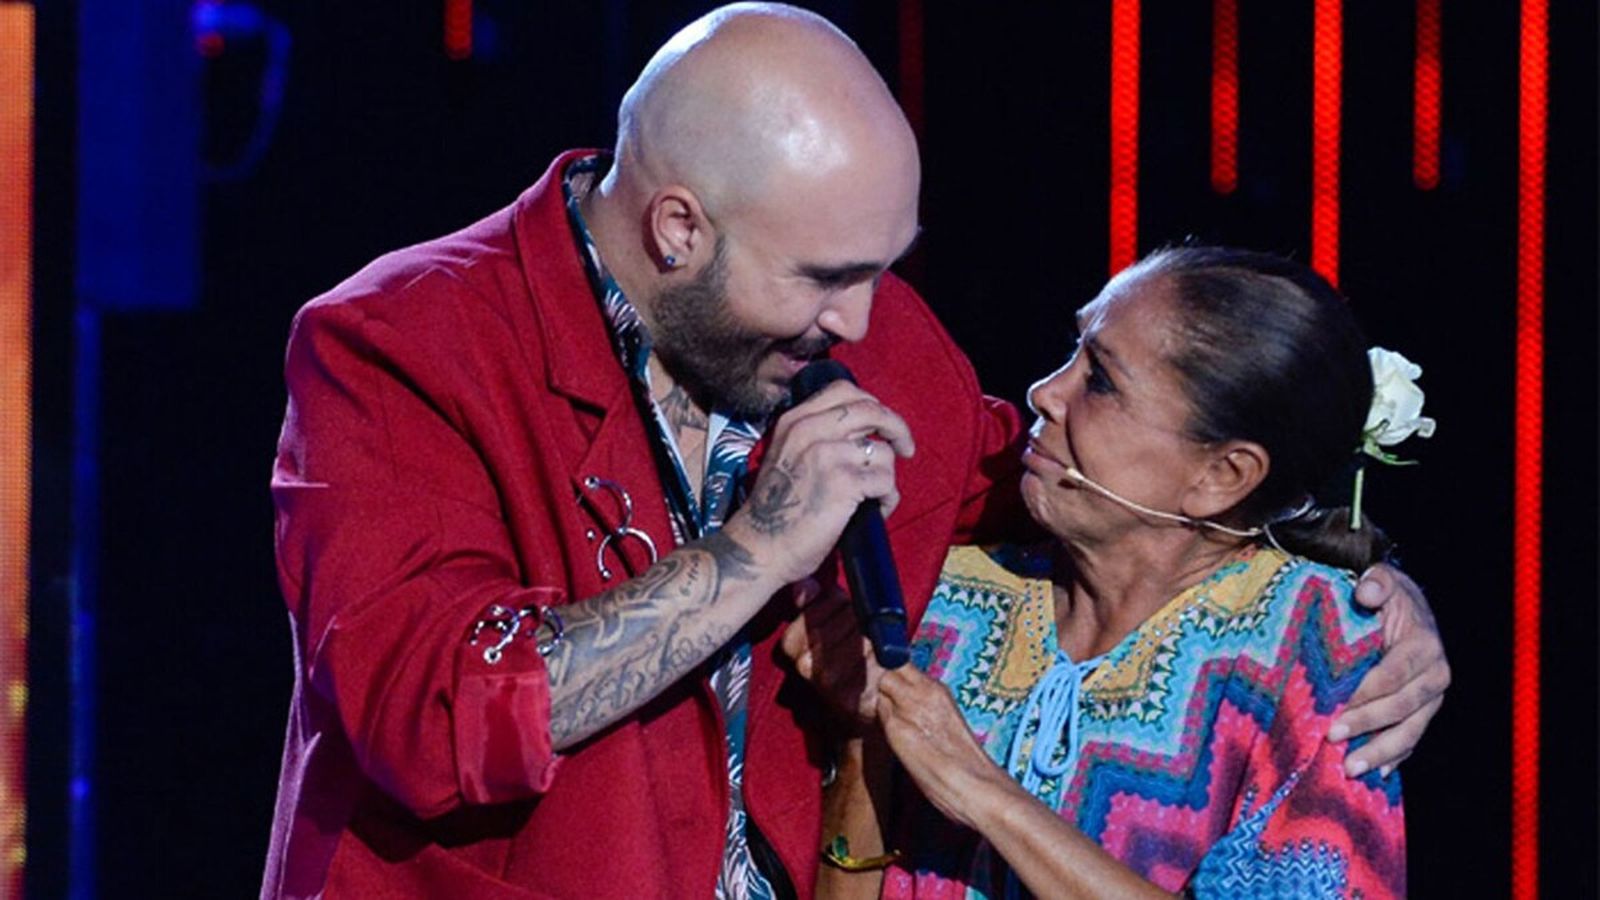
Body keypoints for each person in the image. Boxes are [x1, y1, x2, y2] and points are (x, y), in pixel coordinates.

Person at [261, 5, 1446, 897]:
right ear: (678, 228)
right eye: (827, 277)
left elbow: (1068, 481)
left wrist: (1355, 584)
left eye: (883, 267)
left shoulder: (857, 341)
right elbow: (431, 714)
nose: (862, 325)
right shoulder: (404, 345)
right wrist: (757, 547)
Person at [802, 247, 1415, 897]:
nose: (1043, 393)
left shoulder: (1314, 648)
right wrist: (858, 738)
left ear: (1221, 476)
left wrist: (982, 790)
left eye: (1100, 380)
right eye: (1074, 351)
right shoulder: (946, 598)